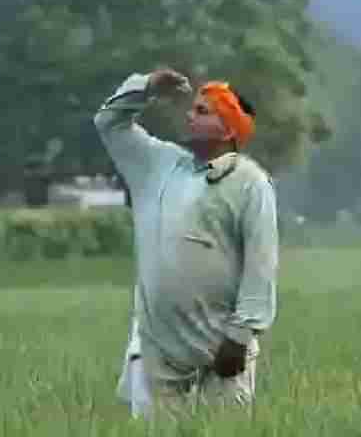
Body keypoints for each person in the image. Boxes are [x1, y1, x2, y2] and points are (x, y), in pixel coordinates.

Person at [95, 67, 280, 419]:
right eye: (191, 108)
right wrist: (144, 87)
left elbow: (262, 262)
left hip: (224, 344)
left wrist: (240, 337)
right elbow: (109, 123)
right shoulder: (156, 164)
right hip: (159, 343)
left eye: (202, 111)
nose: (188, 116)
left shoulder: (250, 182)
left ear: (228, 129)